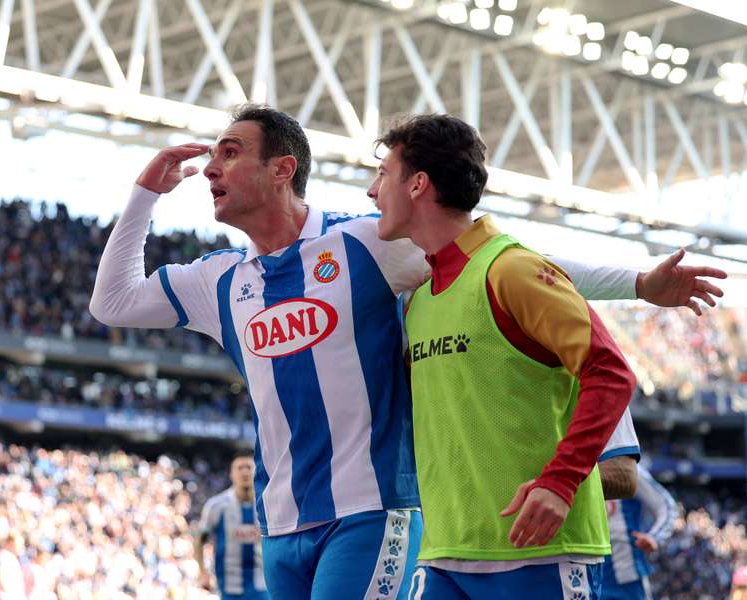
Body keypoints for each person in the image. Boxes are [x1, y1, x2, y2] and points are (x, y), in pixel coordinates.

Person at [89, 104, 726, 598]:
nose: (211, 168)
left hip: (372, 513)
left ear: (282, 169)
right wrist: (145, 192)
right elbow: (111, 303)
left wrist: (639, 283)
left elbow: (518, 265)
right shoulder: (218, 280)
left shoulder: (367, 243)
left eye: (231, 152)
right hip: (279, 524)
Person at [367, 112, 648, 597]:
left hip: (541, 554)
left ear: (417, 184)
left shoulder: (511, 270)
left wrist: (560, 482)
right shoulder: (419, 301)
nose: (372, 192)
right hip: (445, 555)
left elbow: (611, 372)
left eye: (382, 175)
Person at [196, 450, 268, 600]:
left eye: (248, 467)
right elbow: (199, 541)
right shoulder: (216, 505)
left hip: (262, 583)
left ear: (256, 470)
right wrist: (203, 572)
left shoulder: (267, 504)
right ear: (231, 473)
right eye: (239, 468)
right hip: (229, 585)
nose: (244, 472)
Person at [602, 464, 679, 600]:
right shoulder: (572, 463)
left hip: (626, 578)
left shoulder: (626, 467)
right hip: (583, 572)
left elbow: (666, 505)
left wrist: (655, 537)